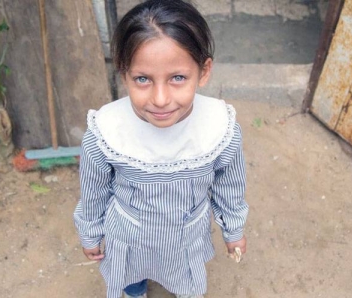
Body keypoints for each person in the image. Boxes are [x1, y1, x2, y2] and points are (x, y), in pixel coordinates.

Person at [73, 1, 249, 297]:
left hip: (186, 237)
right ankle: (134, 290)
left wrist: (234, 231)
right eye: (142, 79)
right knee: (129, 272)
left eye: (177, 78)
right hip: (128, 237)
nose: (160, 98)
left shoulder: (220, 129)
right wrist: (90, 234)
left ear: (203, 71)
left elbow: (229, 187)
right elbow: (93, 191)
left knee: (185, 279)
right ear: (123, 72)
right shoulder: (107, 132)